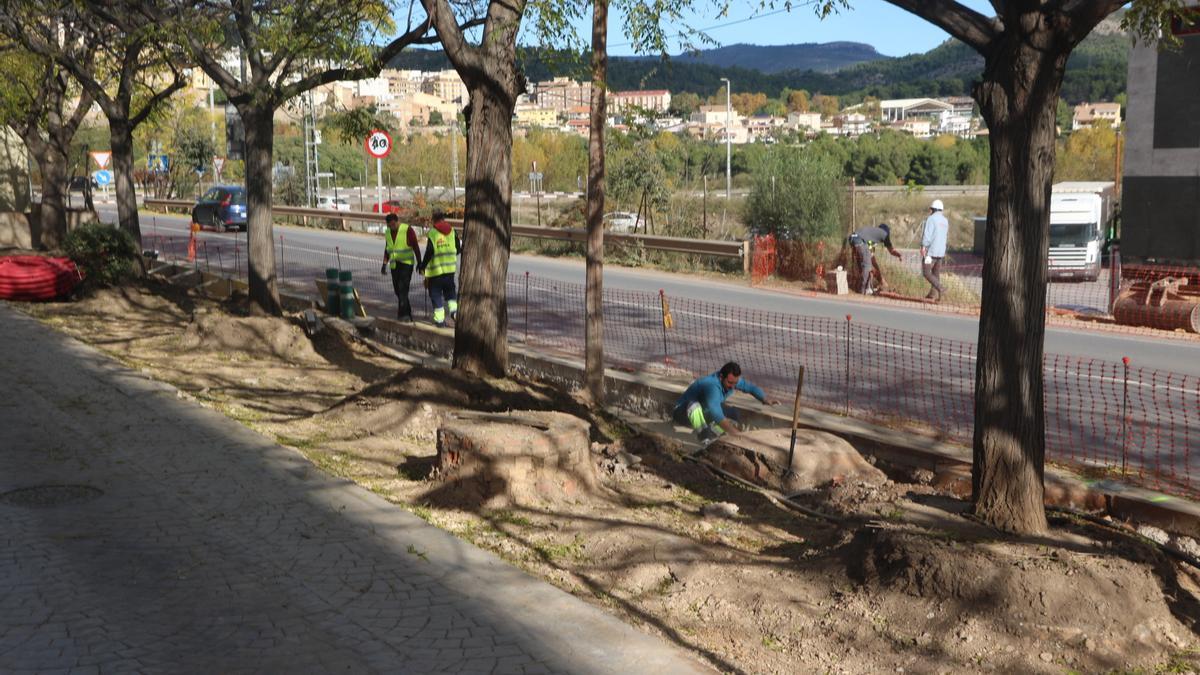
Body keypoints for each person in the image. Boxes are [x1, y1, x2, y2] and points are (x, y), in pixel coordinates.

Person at [671, 362, 780, 442]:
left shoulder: (733, 380)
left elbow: (750, 387)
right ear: (721, 376)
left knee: (733, 414)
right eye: (730, 383)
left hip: (704, 412)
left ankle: (710, 432)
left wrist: (764, 399)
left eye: (735, 383)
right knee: (694, 406)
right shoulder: (711, 386)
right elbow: (716, 414)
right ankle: (704, 437)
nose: (732, 386)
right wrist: (737, 435)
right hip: (683, 413)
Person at [417, 209, 462, 328]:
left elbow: (429, 251)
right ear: (443, 219)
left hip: (436, 271)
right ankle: (454, 312)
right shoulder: (453, 231)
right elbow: (458, 248)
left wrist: (423, 265)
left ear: (434, 220)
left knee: (436, 295)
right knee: (450, 292)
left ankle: (440, 321)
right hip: (450, 270)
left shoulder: (433, 233)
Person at [379, 213, 421, 321]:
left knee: (403, 289)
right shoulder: (388, 232)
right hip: (394, 265)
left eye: (393, 225)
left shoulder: (407, 230)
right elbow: (387, 248)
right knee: (397, 290)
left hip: (406, 264)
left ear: (397, 221)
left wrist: (420, 263)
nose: (392, 227)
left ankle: (404, 315)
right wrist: (384, 264)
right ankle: (407, 312)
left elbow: (416, 246)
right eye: (389, 225)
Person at [847, 224, 902, 294]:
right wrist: (899, 255)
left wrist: (879, 275)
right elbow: (891, 251)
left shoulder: (871, 236)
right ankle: (863, 290)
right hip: (859, 240)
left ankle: (863, 287)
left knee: (862, 267)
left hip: (852, 239)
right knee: (867, 266)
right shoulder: (885, 234)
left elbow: (872, 257)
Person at [920, 199, 949, 303]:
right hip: (941, 252)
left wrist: (923, 246)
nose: (930, 211)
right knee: (936, 274)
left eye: (931, 209)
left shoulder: (931, 219)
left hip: (931, 252)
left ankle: (940, 288)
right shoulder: (945, 221)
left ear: (933, 209)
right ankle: (934, 295)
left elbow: (927, 235)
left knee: (926, 272)